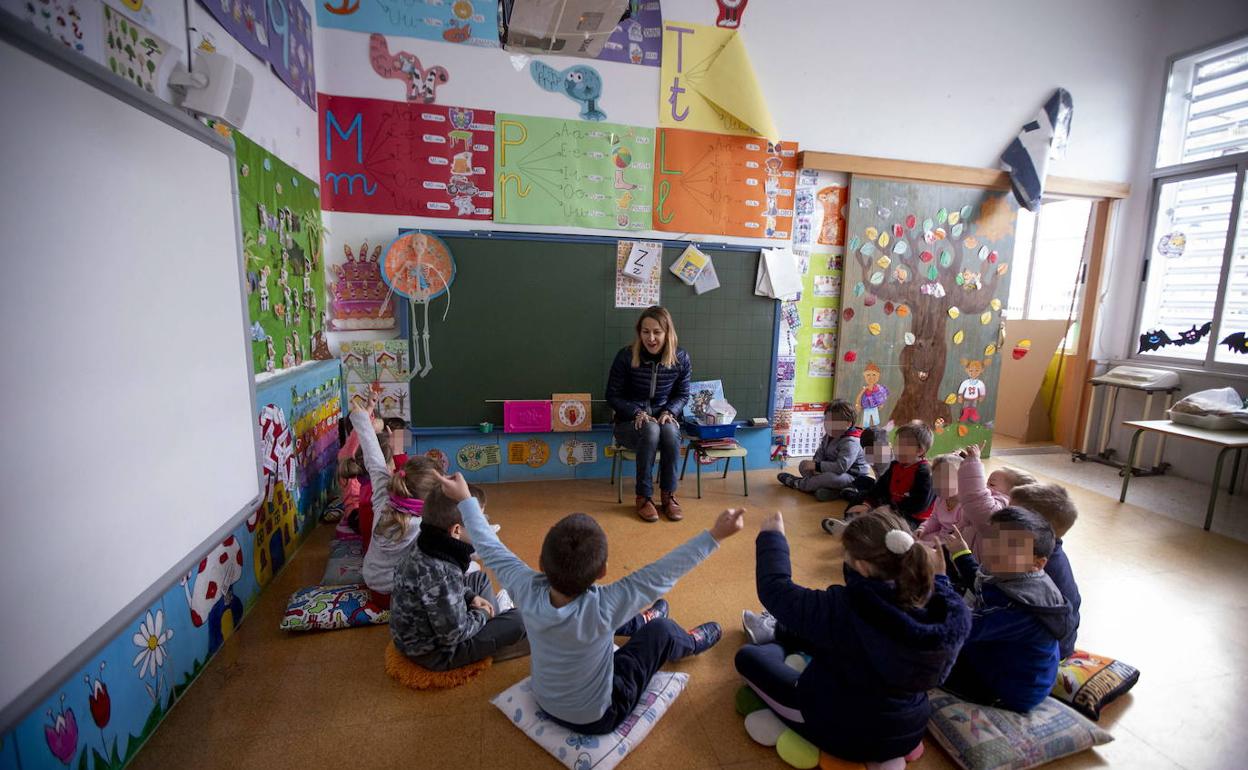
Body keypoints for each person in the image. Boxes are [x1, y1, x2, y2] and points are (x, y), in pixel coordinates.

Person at [437, 471, 741, 734]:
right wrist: (715, 535)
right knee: (661, 631)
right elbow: (660, 575)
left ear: (541, 563)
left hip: (545, 700)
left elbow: (489, 547)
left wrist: (465, 499)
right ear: (603, 571)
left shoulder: (525, 587)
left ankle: (640, 621)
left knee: (615, 620)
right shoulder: (607, 604)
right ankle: (684, 641)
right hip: (599, 717)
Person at [736, 510, 971, 764]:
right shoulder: (948, 611)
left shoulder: (844, 608)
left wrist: (772, 536)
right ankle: (782, 632)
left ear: (861, 566)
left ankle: (774, 637)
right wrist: (942, 580)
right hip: (908, 731)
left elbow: (775, 589)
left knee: (749, 658)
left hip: (841, 731)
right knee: (818, 635)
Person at [942, 510, 1075, 712]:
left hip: (1011, 689)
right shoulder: (1014, 574)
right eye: (993, 540)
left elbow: (961, 628)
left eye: (1010, 547)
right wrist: (961, 554)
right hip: (1000, 656)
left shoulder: (1020, 608)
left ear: (1037, 563)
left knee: (928, 663)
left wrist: (939, 582)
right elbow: (981, 585)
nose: (995, 551)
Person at [389, 487, 527, 671]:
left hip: (428, 627)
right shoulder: (443, 573)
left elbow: (444, 589)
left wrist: (470, 597)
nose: (484, 526)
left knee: (479, 579)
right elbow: (453, 635)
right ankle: (496, 633)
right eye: (479, 521)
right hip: (436, 653)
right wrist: (483, 614)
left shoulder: (428, 542)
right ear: (456, 530)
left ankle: (495, 623)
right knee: (519, 620)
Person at [606, 306, 693, 522]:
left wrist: (669, 411)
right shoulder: (626, 357)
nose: (651, 338)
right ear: (639, 332)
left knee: (671, 431)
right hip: (628, 424)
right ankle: (644, 497)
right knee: (651, 429)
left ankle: (668, 496)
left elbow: (683, 394)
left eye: (657, 332)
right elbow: (612, 395)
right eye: (646, 332)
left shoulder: (681, 358)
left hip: (662, 420)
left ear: (667, 333)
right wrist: (636, 411)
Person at [352, 397, 441, 609]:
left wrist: (362, 419)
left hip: (374, 586)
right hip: (402, 595)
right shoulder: (426, 525)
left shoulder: (384, 498)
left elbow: (374, 461)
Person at [824, 421, 935, 535]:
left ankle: (862, 529)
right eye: (897, 444)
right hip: (891, 507)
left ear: (920, 450)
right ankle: (849, 523)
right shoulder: (895, 465)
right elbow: (880, 488)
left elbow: (918, 505)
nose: (897, 449)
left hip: (911, 518)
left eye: (903, 446)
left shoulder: (925, 472)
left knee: (888, 527)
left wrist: (888, 509)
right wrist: (867, 504)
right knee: (861, 497)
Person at [1009, 483, 1081, 659]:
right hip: (1050, 637)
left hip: (1046, 650)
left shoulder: (1034, 564)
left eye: (1011, 514)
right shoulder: (1043, 551)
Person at [776, 399, 870, 501]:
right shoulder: (830, 435)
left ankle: (798, 483)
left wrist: (817, 466)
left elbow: (841, 467)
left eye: (834, 422)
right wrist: (815, 465)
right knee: (803, 465)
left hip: (851, 477)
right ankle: (833, 491)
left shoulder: (851, 442)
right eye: (827, 420)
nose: (828, 425)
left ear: (848, 423)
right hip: (828, 469)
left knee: (829, 478)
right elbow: (820, 452)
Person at [955, 442, 1036, 556]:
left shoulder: (1002, 509)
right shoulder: (994, 501)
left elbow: (977, 499)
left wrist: (973, 464)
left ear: (1012, 494)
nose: (985, 487)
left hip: (976, 566)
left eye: (992, 484)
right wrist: (968, 462)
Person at [915, 454, 963, 543]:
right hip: (940, 536)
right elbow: (934, 519)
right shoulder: (941, 498)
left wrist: (930, 545)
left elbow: (957, 537)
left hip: (954, 544)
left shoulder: (964, 507)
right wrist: (923, 529)